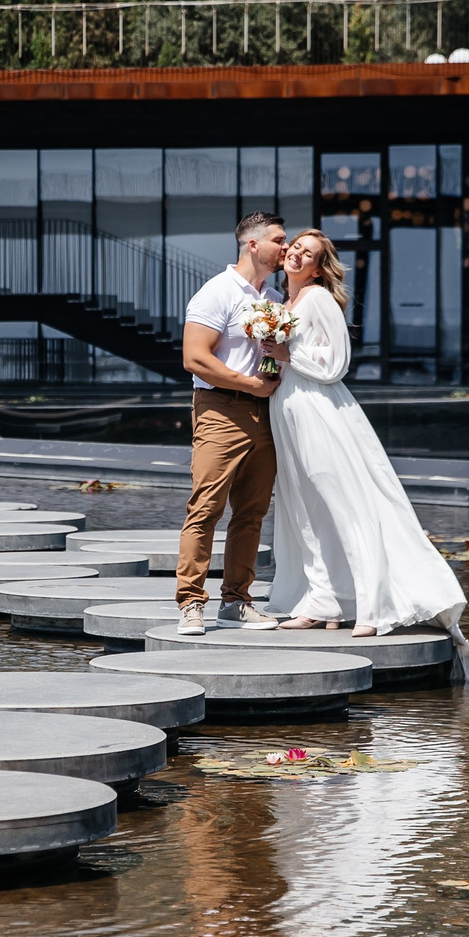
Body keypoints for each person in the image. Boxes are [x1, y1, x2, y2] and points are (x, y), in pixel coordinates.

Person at [265, 228, 469, 676]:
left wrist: (286, 353)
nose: (297, 255)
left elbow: (337, 363)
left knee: (344, 505)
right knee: (304, 508)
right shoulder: (284, 303)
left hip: (320, 411)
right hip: (289, 408)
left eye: (309, 253)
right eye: (295, 248)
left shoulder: (318, 299)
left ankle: (372, 604)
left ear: (320, 268)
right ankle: (324, 601)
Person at [175, 211, 289, 637]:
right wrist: (251, 384)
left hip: (265, 413)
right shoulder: (216, 292)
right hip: (221, 410)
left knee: (253, 513)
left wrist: (271, 377)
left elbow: (270, 360)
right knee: (205, 508)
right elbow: (195, 357)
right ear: (252, 245)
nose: (285, 247)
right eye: (279, 240)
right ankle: (190, 603)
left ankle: (236, 600)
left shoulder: (275, 299)